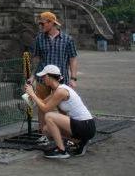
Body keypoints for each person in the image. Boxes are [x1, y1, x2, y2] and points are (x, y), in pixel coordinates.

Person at [25, 64, 96, 159]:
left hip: (86, 125)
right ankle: (80, 142)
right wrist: (30, 97)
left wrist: (33, 95)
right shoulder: (57, 90)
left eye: (44, 76)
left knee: (49, 116)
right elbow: (42, 102)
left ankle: (62, 150)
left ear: (49, 77)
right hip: (81, 125)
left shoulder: (61, 91)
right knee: (46, 129)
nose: (42, 79)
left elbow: (45, 109)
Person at [30, 11, 78, 144]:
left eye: (43, 23)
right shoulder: (40, 38)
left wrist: (73, 78)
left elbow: (73, 58)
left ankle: (67, 135)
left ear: (51, 23)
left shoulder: (67, 39)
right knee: (42, 106)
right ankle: (43, 133)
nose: (41, 26)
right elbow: (37, 59)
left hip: (60, 79)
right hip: (43, 78)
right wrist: (33, 76)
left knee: (63, 107)